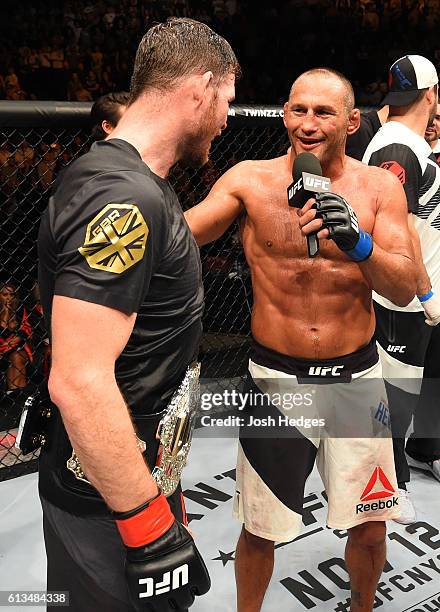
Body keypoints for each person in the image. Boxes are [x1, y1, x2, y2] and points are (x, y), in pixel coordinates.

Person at [185, 67, 416, 612]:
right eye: (298, 110)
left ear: (352, 121)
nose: (307, 124)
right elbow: (185, 231)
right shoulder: (249, 180)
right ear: (284, 114)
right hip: (274, 381)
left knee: (370, 528)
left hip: (355, 382)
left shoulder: (379, 187)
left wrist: (358, 244)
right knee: (259, 528)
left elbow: (406, 287)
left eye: (324, 112)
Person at [37, 17, 240, 611]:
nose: (228, 118)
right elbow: (79, 380)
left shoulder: (130, 178)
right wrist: (146, 526)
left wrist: (162, 500)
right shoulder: (125, 198)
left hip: (127, 478)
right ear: (199, 88)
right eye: (226, 99)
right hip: (108, 500)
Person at [362, 55, 440, 523]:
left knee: (428, 380)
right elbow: (401, 233)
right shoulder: (398, 148)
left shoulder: (410, 142)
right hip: (404, 295)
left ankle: (425, 449)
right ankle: (392, 483)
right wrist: (426, 294)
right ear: (431, 94)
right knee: (396, 393)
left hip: (423, 291)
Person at [0, 282, 32, 391]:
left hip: (17, 349)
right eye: (5, 295)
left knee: (16, 356)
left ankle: (17, 394)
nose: (9, 298)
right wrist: (5, 313)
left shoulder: (20, 311)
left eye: (12, 294)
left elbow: (24, 333)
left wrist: (9, 343)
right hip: (3, 350)